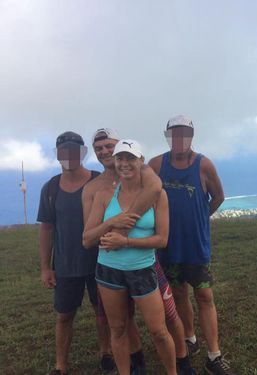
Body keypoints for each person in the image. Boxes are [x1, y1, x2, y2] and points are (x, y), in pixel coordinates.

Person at [82, 128, 195, 375]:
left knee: (158, 330)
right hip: (108, 271)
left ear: (141, 161)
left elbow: (162, 239)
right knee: (119, 329)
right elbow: (87, 239)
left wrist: (126, 242)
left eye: (130, 158)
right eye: (120, 158)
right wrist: (112, 222)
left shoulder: (157, 195)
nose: (124, 163)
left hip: (143, 269)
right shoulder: (102, 195)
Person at [149, 115, 236, 375]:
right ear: (167, 136)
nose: (179, 139)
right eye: (174, 133)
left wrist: (200, 217)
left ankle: (214, 355)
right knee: (177, 294)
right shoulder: (156, 164)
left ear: (192, 136)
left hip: (196, 247)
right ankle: (189, 338)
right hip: (167, 246)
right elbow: (143, 194)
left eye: (184, 133)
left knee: (205, 296)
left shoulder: (203, 164)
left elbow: (218, 196)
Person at [37, 131, 114, 375]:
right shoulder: (50, 188)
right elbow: (47, 228)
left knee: (102, 313)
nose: (69, 156)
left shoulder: (99, 180)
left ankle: (106, 354)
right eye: (64, 151)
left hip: (100, 261)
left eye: (74, 150)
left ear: (83, 153)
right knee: (64, 316)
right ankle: (60, 366)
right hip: (66, 265)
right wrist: (45, 267)